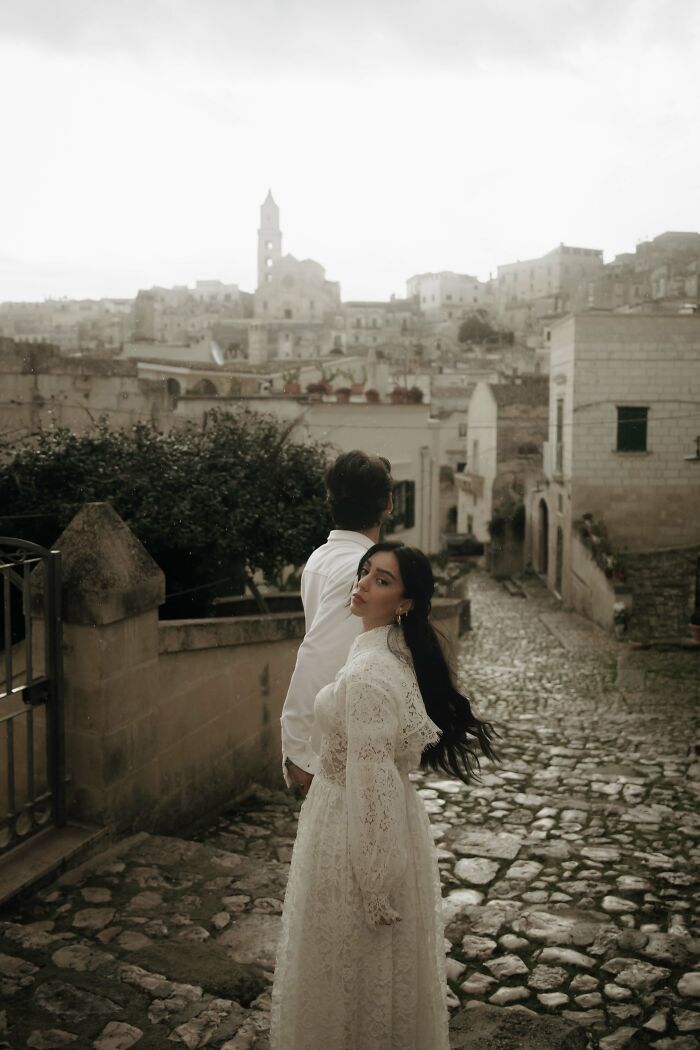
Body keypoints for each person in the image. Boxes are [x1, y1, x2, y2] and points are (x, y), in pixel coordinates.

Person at [270, 541, 497, 1050]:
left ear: (405, 603)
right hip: (353, 814)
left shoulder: (372, 672)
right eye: (365, 571)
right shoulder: (385, 646)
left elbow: (373, 786)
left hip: (352, 826)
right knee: (361, 964)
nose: (364, 583)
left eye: (382, 580)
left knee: (350, 961)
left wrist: (375, 884)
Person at [281, 450, 393, 798]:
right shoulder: (358, 567)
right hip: (345, 742)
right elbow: (316, 653)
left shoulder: (320, 556)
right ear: (388, 503)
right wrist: (296, 752)